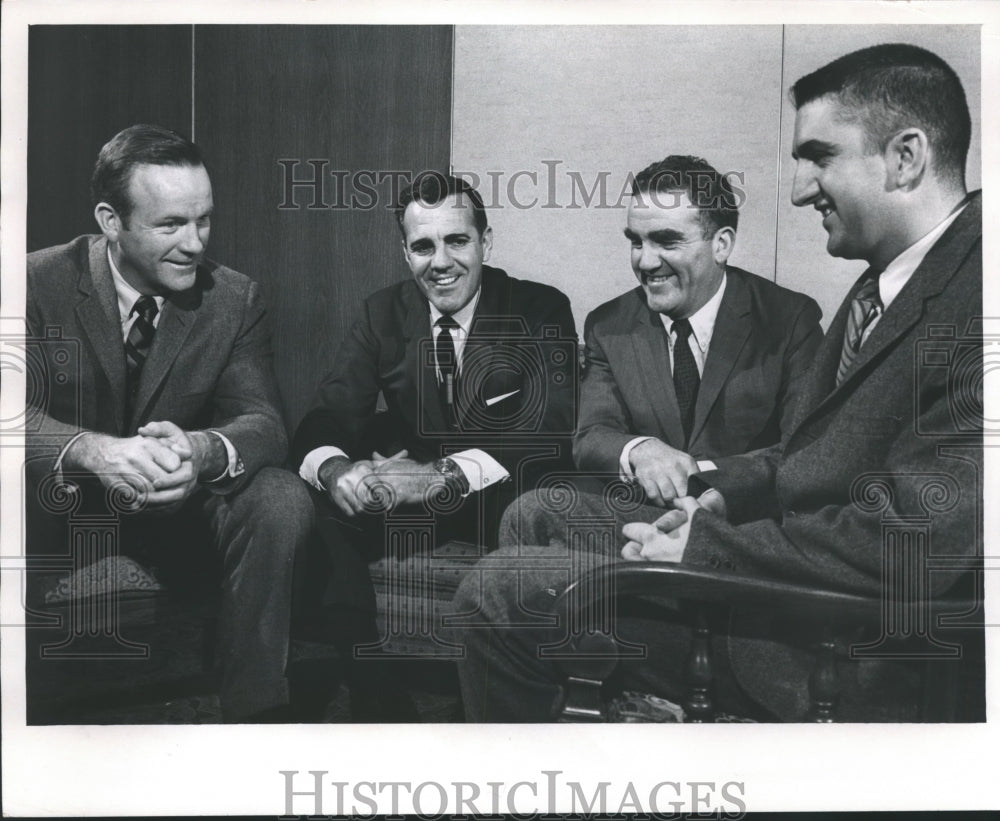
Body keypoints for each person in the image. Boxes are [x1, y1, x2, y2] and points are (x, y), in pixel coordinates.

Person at [453, 43, 982, 722]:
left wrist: (706, 549)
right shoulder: (887, 283)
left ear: (906, 157)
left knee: (498, 592)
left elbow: (915, 542)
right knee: (540, 512)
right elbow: (802, 455)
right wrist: (717, 498)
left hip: (830, 641)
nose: (797, 188)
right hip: (788, 574)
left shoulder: (976, 295)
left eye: (819, 156)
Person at [26, 124, 313, 723]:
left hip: (173, 512)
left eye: (203, 220)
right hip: (53, 510)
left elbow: (263, 422)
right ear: (111, 220)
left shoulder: (232, 298)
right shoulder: (33, 282)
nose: (194, 244)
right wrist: (95, 452)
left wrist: (201, 449)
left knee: (280, 495)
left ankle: (252, 714)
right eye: (171, 225)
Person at [291, 173, 576, 715]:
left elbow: (551, 433)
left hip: (499, 502)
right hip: (406, 503)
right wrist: (338, 473)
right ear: (404, 251)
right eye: (423, 246)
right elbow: (327, 414)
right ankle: (371, 686)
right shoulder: (382, 313)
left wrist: (440, 475)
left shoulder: (540, 309)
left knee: (540, 499)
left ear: (486, 243)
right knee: (305, 497)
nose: (440, 262)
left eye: (457, 241)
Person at [502, 155, 822, 548]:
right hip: (646, 517)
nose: (645, 261)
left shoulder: (789, 320)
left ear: (721, 244)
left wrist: (711, 482)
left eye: (666, 241)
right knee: (531, 512)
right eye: (636, 242)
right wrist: (640, 450)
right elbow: (590, 436)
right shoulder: (609, 325)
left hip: (741, 524)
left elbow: (806, 451)